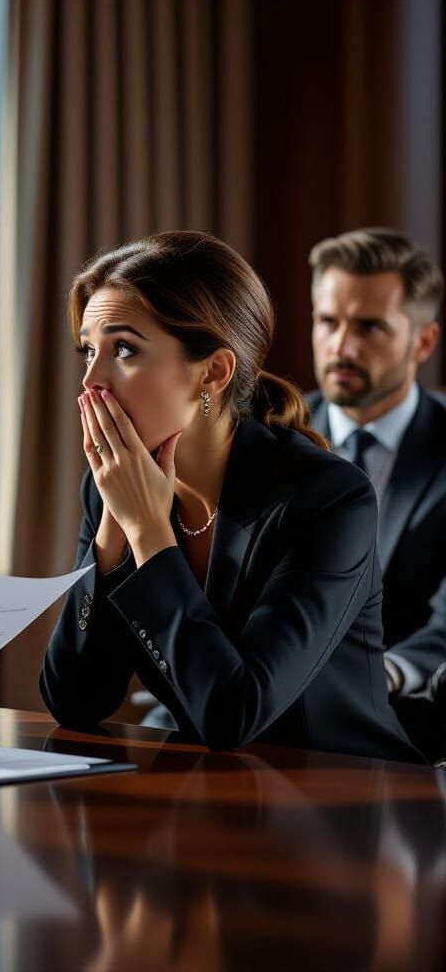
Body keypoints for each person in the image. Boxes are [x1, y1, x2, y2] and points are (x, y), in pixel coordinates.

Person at [40, 231, 422, 763]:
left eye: (123, 349)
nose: (91, 382)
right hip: (208, 796)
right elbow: (76, 701)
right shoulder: (110, 491)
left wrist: (149, 534)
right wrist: (112, 532)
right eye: (88, 350)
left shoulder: (328, 497)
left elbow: (233, 712)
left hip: (345, 801)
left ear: (213, 373)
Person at [305, 228, 446, 759]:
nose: (342, 347)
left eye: (370, 327)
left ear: (423, 342)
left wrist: (378, 674)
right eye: (328, 322)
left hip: (401, 724)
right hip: (259, 712)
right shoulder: (264, 438)